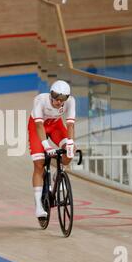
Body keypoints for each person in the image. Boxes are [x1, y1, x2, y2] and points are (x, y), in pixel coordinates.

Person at [28, 80, 76, 217]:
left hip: (56, 125)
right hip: (38, 127)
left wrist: (71, 143)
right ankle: (38, 206)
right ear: (51, 94)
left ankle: (59, 173)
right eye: (56, 97)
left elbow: (71, 125)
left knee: (70, 150)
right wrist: (46, 146)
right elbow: (38, 126)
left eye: (63, 99)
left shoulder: (71, 101)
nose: (59, 102)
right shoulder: (40, 100)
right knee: (39, 164)